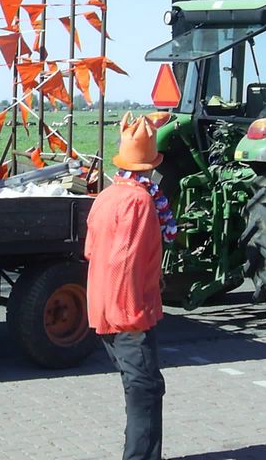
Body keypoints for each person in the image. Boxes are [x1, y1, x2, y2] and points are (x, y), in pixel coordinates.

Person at [84, 112, 177, 460]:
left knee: (140, 384)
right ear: (151, 166)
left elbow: (91, 250)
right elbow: (126, 260)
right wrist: (133, 313)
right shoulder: (141, 201)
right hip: (129, 312)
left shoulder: (106, 196)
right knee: (145, 388)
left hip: (103, 306)